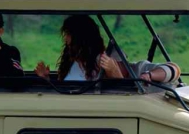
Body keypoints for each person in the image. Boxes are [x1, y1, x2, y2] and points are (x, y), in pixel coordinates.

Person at [34, 14, 180, 85]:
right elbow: (65, 90)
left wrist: (149, 75)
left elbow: (174, 70)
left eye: (68, 35)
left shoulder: (139, 69)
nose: (66, 40)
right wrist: (47, 79)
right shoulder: (73, 64)